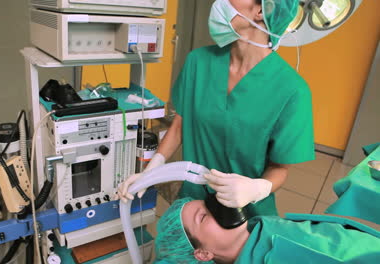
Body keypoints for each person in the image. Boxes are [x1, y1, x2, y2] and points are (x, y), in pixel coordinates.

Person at [118, 0, 315, 217]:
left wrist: (257, 189)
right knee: (175, 250)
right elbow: (179, 127)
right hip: (192, 202)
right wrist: (151, 171)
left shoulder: (292, 89)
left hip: (243, 213)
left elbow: (280, 168)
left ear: (261, 10)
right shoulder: (198, 62)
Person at [154, 198, 380, 264]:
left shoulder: (261, 226)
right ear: (203, 254)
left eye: (208, 203)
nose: (216, 207)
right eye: (203, 217)